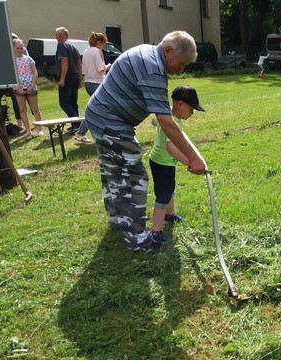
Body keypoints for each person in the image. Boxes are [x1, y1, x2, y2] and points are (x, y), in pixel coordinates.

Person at [85, 30, 207, 253]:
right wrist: (193, 157)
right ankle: (139, 241)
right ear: (168, 51)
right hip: (111, 122)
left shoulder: (148, 55)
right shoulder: (153, 68)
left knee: (113, 172)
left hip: (101, 117)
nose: (182, 69)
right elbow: (167, 123)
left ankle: (118, 220)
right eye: (181, 64)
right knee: (133, 179)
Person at [149, 85, 205, 240]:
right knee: (163, 196)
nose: (192, 113)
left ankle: (170, 215)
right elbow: (171, 148)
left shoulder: (165, 117)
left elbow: (154, 122)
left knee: (169, 190)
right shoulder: (175, 124)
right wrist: (190, 162)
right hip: (163, 164)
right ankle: (156, 232)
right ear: (180, 104)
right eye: (191, 109)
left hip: (158, 161)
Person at [75, 32, 112, 144]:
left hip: (88, 83)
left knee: (97, 109)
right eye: (103, 45)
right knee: (97, 110)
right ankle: (82, 133)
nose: (103, 47)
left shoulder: (86, 51)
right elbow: (101, 69)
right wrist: (109, 66)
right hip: (97, 83)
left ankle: (90, 132)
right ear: (99, 43)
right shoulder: (97, 51)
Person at [12, 39, 43, 137]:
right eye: (18, 48)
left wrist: (32, 85)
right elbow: (11, 76)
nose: (20, 50)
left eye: (21, 48)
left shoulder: (28, 59)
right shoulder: (11, 61)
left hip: (31, 87)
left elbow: (35, 73)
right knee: (22, 109)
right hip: (19, 88)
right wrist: (17, 88)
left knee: (35, 109)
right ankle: (28, 130)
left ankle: (39, 130)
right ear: (13, 48)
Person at [55, 27, 82, 134]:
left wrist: (62, 78)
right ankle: (75, 124)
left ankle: (77, 123)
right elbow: (79, 64)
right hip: (75, 75)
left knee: (64, 102)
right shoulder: (73, 46)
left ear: (60, 35)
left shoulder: (61, 45)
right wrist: (80, 79)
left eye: (56, 35)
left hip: (67, 76)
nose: (55, 37)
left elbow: (64, 61)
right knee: (72, 102)